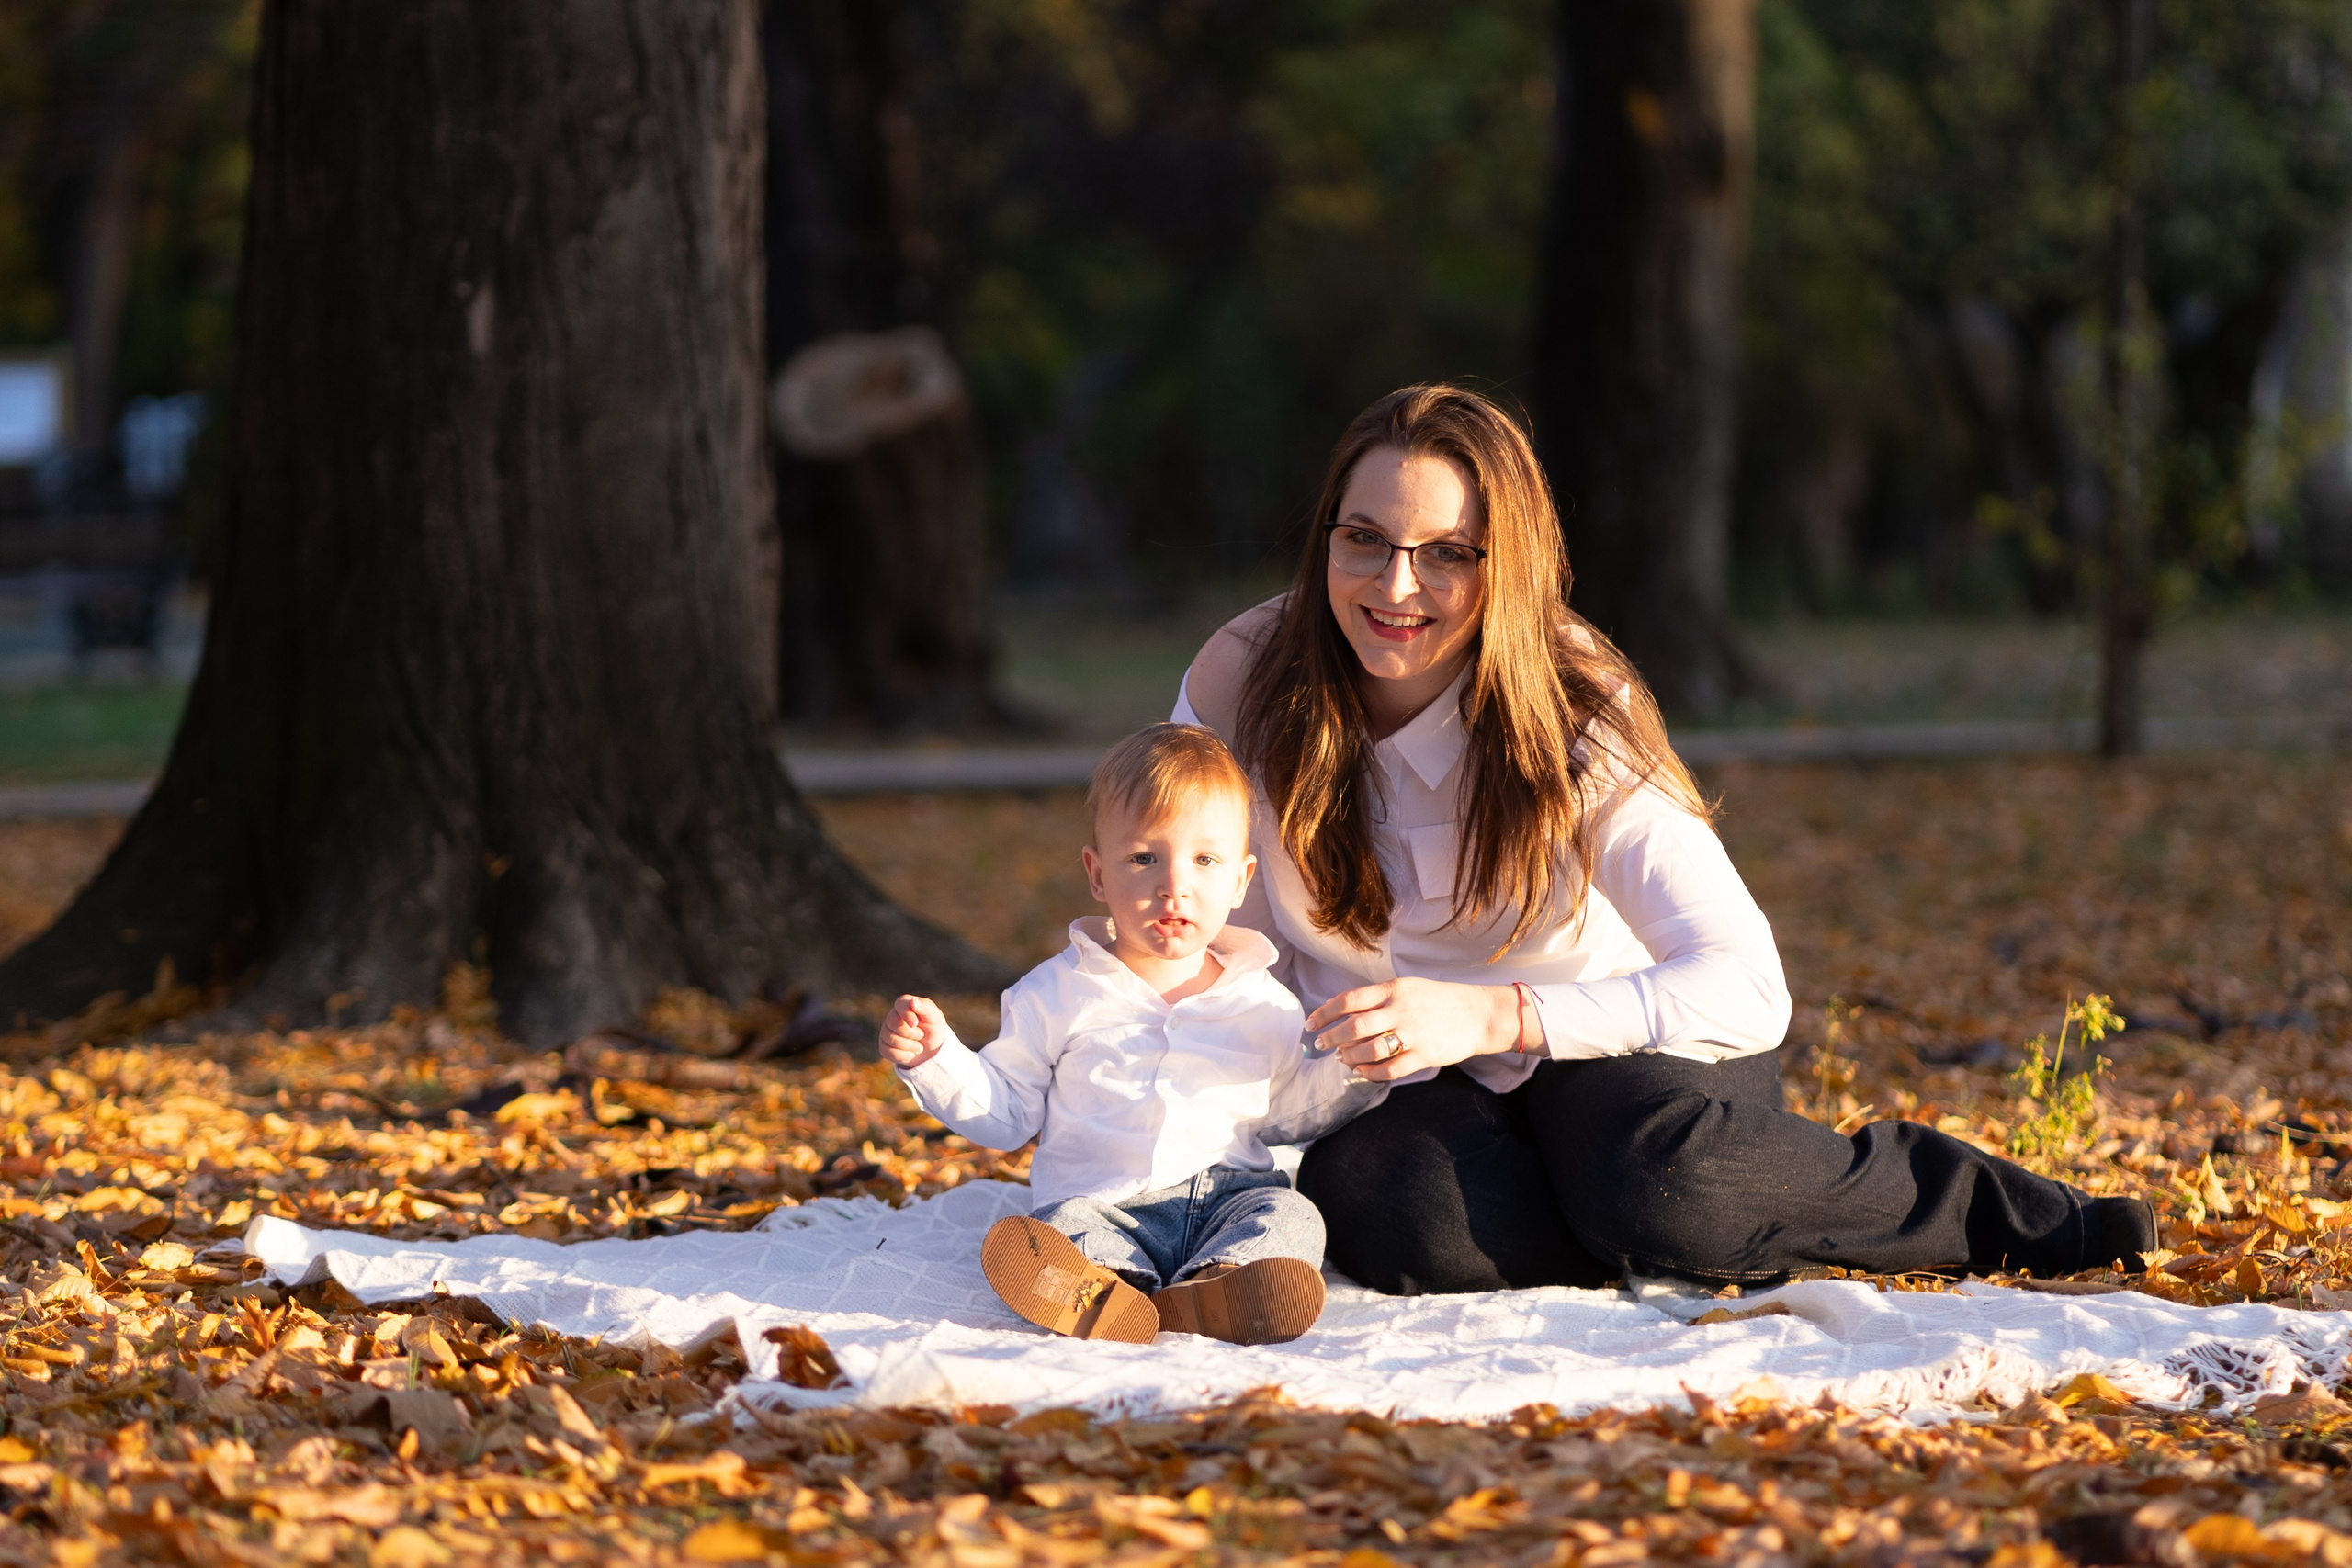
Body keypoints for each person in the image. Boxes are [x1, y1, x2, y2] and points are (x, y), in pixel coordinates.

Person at [1173, 383, 2155, 1296]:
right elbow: (1204, 941)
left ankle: (1979, 1205)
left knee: (1662, 1185)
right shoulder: (1243, 682)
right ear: (1324, 540)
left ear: (1504, 564)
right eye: (1365, 538)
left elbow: (1746, 983)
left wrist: (1490, 1018)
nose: (1397, 583)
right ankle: (1639, 1234)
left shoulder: (1573, 703)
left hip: (1625, 1049)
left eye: (1448, 552)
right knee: (1394, 1216)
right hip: (1411, 1085)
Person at [881, 724, 1376, 1344]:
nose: (1175, 883)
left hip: (1227, 1197)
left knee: (1293, 1214)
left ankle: (1221, 1281)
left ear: (1241, 880)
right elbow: (1005, 1112)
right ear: (1098, 874)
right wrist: (937, 1058)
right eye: (1144, 858)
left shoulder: (1261, 998)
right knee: (1063, 1225)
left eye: (1204, 860)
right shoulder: (1056, 992)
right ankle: (1106, 1287)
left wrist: (1354, 1068)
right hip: (1103, 1201)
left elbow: (1287, 1115)